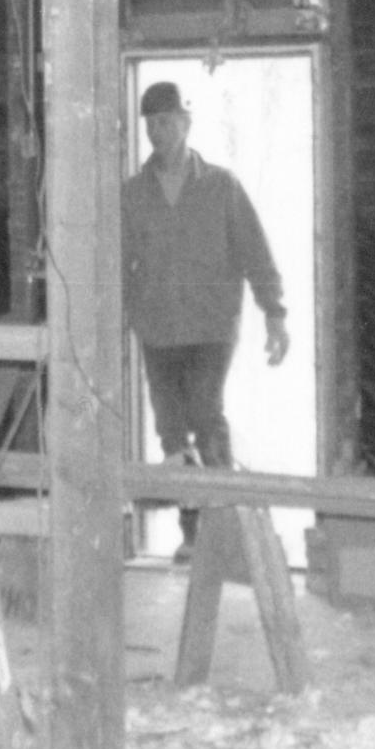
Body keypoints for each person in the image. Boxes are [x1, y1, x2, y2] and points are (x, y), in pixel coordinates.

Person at [119, 81, 288, 558]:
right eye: (151, 123)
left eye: (167, 121)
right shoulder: (131, 195)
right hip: (157, 329)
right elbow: (118, 264)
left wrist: (274, 312)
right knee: (171, 429)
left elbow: (255, 251)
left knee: (205, 415)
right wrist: (116, 322)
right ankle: (194, 534)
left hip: (211, 327)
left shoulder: (221, 186)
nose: (158, 131)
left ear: (186, 124)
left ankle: (222, 530)